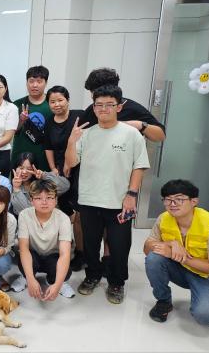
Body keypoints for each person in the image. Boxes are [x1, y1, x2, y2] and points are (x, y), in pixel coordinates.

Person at [65, 85, 150, 304]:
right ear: (93, 108)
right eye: (98, 105)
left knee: (119, 246)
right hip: (89, 199)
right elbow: (71, 163)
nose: (103, 109)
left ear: (119, 107)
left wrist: (131, 194)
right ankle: (92, 276)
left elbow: (139, 166)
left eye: (109, 105)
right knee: (91, 244)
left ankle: (116, 283)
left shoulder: (132, 135)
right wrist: (72, 141)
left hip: (120, 201)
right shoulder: (86, 134)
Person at [144, 179, 209, 325]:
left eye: (179, 199)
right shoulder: (163, 218)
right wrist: (170, 244)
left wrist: (176, 255)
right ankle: (164, 301)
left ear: (194, 201)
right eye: (168, 200)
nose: (172, 204)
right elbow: (147, 249)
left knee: (205, 317)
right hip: (182, 270)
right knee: (154, 257)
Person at [41, 85, 84, 269]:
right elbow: (48, 147)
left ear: (67, 100)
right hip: (60, 170)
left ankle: (82, 253)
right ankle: (69, 245)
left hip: (81, 168)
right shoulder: (50, 121)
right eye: (52, 101)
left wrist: (68, 163)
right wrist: (53, 169)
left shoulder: (79, 116)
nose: (56, 104)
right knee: (64, 208)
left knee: (80, 211)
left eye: (60, 100)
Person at [18, 180, 75, 300]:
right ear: (31, 200)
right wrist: (30, 279)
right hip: (34, 255)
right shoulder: (24, 215)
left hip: (53, 256)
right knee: (23, 261)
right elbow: (23, 249)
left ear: (56, 200)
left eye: (49, 197)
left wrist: (57, 285)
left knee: (66, 270)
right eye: (38, 198)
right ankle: (26, 278)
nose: (44, 202)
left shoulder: (63, 218)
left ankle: (55, 282)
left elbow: (65, 254)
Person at [79, 67, 165, 142]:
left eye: (94, 91)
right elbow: (80, 134)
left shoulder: (133, 109)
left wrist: (140, 125)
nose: (92, 96)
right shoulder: (93, 109)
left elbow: (160, 136)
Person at [11, 66, 52, 171]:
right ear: (26, 83)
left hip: (44, 156)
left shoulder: (52, 104)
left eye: (39, 81)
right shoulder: (16, 104)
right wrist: (21, 121)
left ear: (46, 83)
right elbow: (11, 132)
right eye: (31, 81)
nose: (34, 85)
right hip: (20, 155)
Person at [10, 152, 70, 216]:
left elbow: (65, 186)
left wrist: (43, 175)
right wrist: (16, 188)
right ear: (15, 168)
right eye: (21, 168)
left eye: (29, 169)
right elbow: (26, 212)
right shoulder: (10, 187)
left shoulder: (42, 181)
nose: (24, 172)